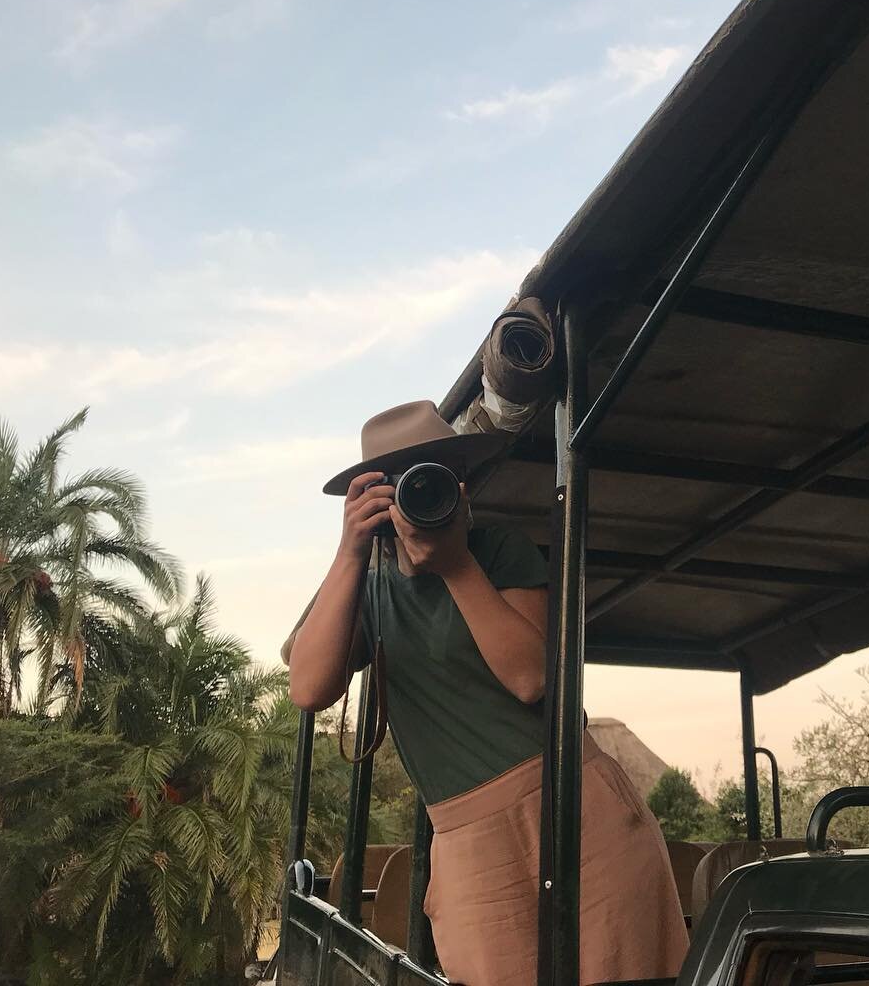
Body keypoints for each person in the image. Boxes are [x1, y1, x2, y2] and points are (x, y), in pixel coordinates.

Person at [284, 400, 688, 986]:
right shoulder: (368, 591)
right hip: (469, 839)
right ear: (369, 499)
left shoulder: (498, 551)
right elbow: (308, 687)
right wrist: (350, 551)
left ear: (462, 487)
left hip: (576, 810)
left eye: (436, 475)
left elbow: (531, 678)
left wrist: (456, 567)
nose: (417, 493)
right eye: (397, 485)